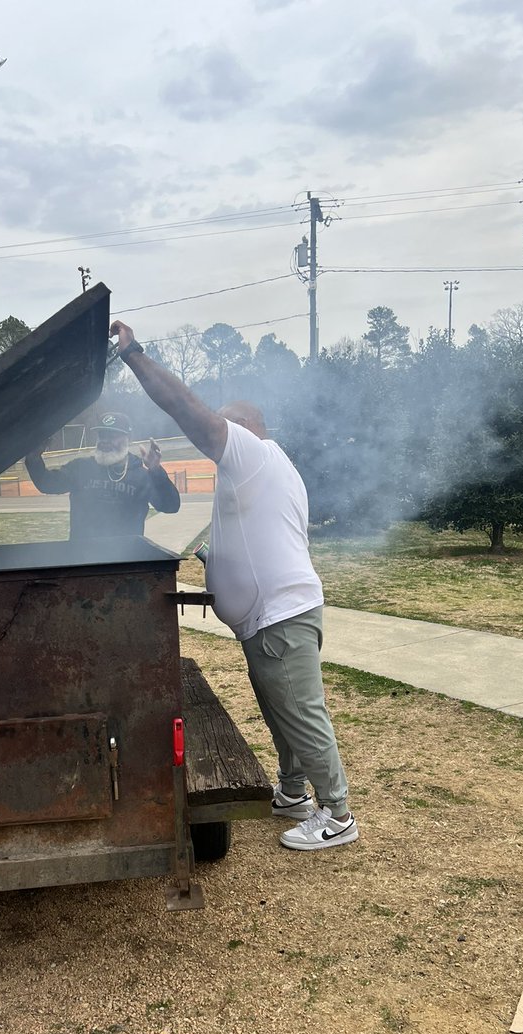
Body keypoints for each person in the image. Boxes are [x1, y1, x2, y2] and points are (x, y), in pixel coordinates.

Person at [109, 321, 357, 852]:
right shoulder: (267, 472)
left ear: (244, 428)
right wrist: (211, 561)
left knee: (301, 710)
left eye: (221, 430)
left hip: (280, 617)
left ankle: (337, 812)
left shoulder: (250, 452)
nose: (211, 443)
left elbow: (184, 407)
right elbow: (253, 542)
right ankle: (292, 792)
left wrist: (134, 354)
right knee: (281, 708)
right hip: (270, 618)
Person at [24, 412, 180, 541]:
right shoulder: (81, 467)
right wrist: (34, 458)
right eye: (102, 434)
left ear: (128, 438)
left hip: (128, 561)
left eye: (113, 435)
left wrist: (156, 471)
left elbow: (170, 506)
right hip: (83, 558)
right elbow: (47, 484)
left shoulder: (141, 475)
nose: (105, 440)